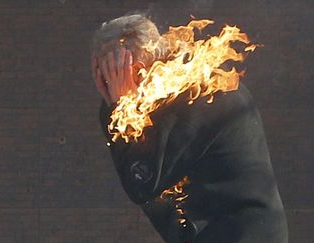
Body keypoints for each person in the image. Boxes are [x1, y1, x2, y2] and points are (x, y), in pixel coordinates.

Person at [91, 14, 288, 243]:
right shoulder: (152, 99)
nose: (110, 85)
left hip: (241, 234)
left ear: (135, 68)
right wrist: (117, 109)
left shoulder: (199, 94)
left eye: (113, 74)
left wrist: (121, 107)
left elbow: (142, 183)